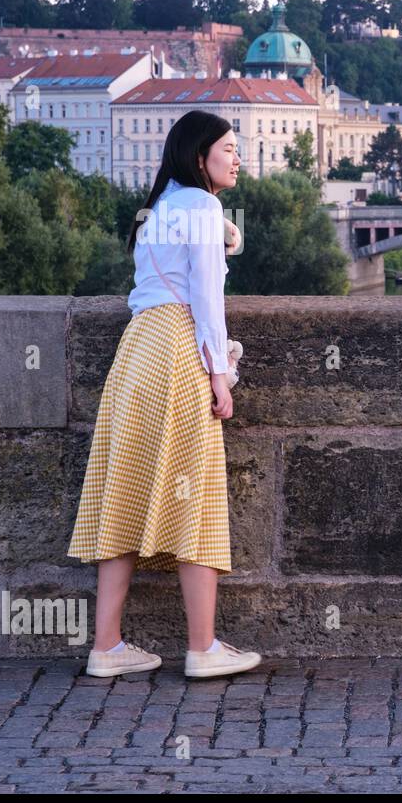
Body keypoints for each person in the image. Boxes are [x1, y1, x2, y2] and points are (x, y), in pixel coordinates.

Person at [66, 109, 262, 680]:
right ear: (200, 156)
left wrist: (228, 231)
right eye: (228, 148)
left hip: (138, 352)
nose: (237, 157)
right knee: (196, 495)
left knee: (123, 488)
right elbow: (206, 300)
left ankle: (106, 646)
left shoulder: (159, 211)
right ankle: (202, 647)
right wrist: (219, 374)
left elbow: (176, 270)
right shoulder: (202, 207)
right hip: (178, 349)